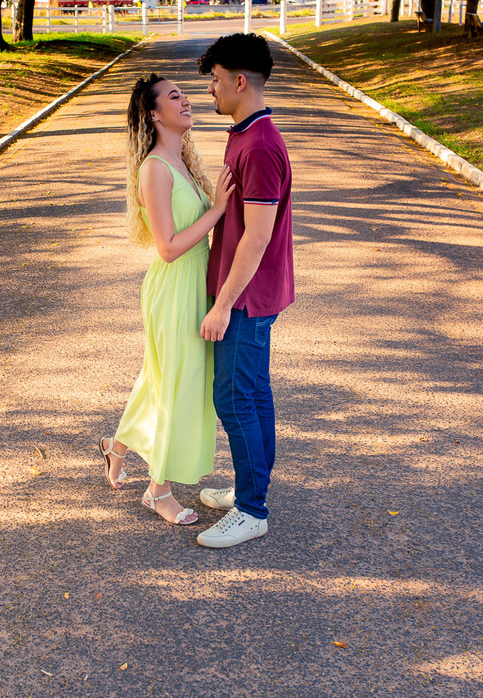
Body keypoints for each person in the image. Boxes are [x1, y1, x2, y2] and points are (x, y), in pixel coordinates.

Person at [99, 74, 235, 526]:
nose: (186, 100)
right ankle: (157, 491)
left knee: (162, 378)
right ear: (154, 114)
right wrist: (216, 210)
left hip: (195, 281)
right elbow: (168, 246)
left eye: (185, 93)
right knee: (177, 380)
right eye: (174, 96)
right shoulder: (155, 168)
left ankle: (116, 446)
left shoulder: (183, 163)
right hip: (174, 283)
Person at [193, 34, 294, 549]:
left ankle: (253, 511)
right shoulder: (244, 132)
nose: (208, 89)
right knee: (254, 394)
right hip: (254, 294)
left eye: (214, 79)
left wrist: (223, 304)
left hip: (247, 299)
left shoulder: (257, 144)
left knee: (234, 400)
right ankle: (250, 491)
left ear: (238, 81)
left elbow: (256, 237)